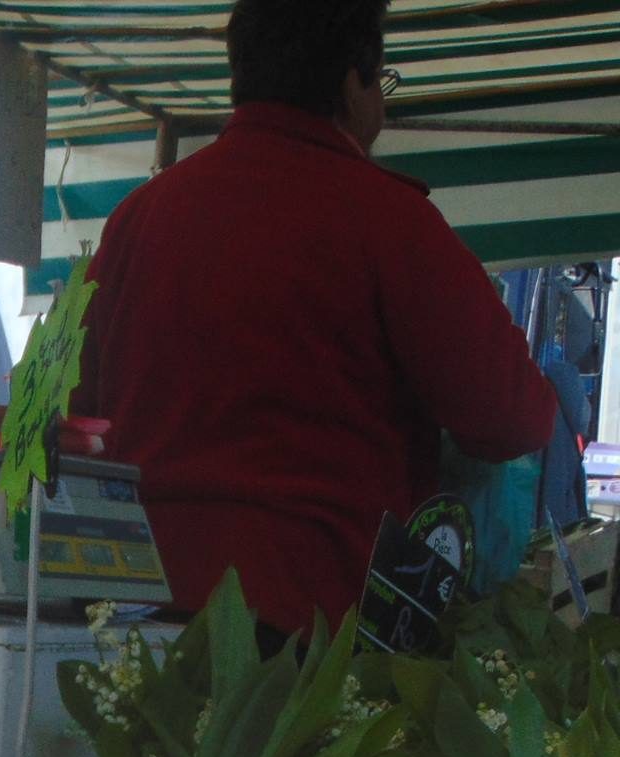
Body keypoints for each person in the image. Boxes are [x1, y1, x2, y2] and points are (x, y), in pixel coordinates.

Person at [71, 0, 556, 639]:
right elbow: (511, 418)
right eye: (379, 83)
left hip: (141, 611)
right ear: (351, 84)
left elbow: (79, 411)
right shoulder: (389, 221)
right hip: (314, 622)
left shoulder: (136, 218)